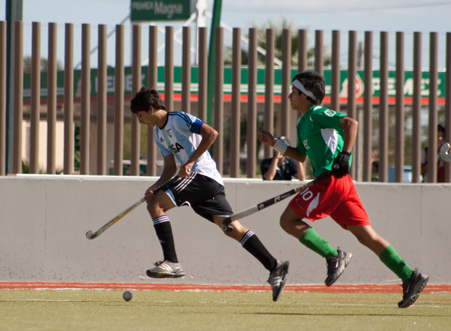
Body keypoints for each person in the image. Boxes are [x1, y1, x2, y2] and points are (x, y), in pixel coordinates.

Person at [258, 71, 428, 308]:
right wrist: (275, 143)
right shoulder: (302, 121)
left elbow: (351, 123)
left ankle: (332, 255)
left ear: (306, 96)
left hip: (330, 180)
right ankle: (410, 276)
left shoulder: (317, 114)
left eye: (293, 92)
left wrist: (345, 155)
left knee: (287, 221)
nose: (288, 96)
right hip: (339, 184)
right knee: (366, 236)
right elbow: (301, 155)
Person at [130, 87, 289, 302]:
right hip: (202, 182)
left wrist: (190, 162)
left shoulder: (178, 119)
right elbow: (169, 169)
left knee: (155, 206)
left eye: (140, 116)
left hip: (202, 176)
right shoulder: (159, 134)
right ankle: (275, 266)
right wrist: (155, 186)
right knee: (231, 227)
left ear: (150, 109)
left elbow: (211, 133)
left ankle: (172, 262)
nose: (140, 121)